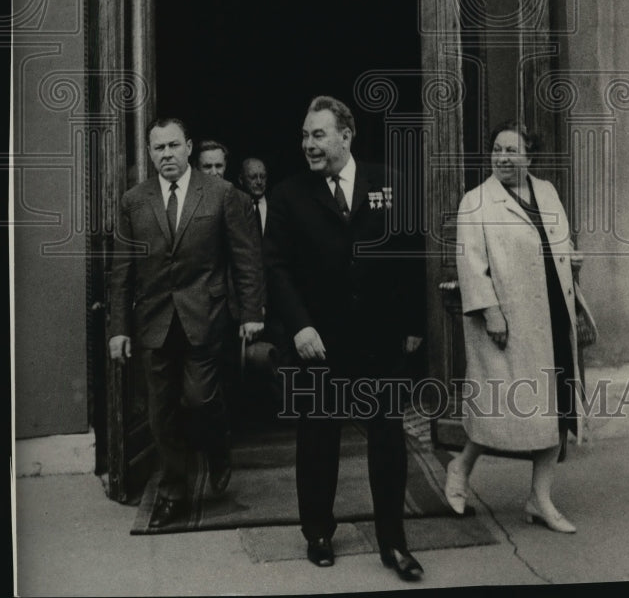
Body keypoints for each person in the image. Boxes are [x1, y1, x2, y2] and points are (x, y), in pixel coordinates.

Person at [263, 95, 425, 581]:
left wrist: (414, 322)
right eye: (305, 136)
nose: (308, 144)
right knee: (317, 438)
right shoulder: (289, 195)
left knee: (388, 439)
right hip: (319, 341)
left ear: (346, 136)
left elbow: (408, 254)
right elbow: (275, 268)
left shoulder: (390, 182)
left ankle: (393, 542)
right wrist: (300, 326)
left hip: (380, 337)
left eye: (318, 134)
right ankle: (318, 532)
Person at [108, 117, 264, 528]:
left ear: (189, 147)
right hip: (154, 322)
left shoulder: (221, 194)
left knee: (200, 400)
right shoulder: (134, 202)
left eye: (174, 146)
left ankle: (218, 445)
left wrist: (250, 313)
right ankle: (173, 491)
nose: (167, 155)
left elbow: (245, 258)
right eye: (158, 148)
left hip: (206, 316)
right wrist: (119, 328)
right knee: (161, 411)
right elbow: (122, 270)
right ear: (149, 152)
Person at [446, 120, 584, 534]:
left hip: (552, 312)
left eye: (512, 150)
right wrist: (491, 313)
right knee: (501, 406)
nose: (503, 157)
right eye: (497, 149)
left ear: (529, 156)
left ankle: (539, 499)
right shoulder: (477, 201)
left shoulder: (546, 192)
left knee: (553, 407)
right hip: (507, 320)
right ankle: (460, 467)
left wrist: (572, 260)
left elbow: (561, 241)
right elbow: (470, 264)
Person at [238, 157, 269, 238]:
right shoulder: (234, 206)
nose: (259, 182)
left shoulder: (276, 204)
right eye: (253, 177)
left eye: (263, 176)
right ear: (241, 179)